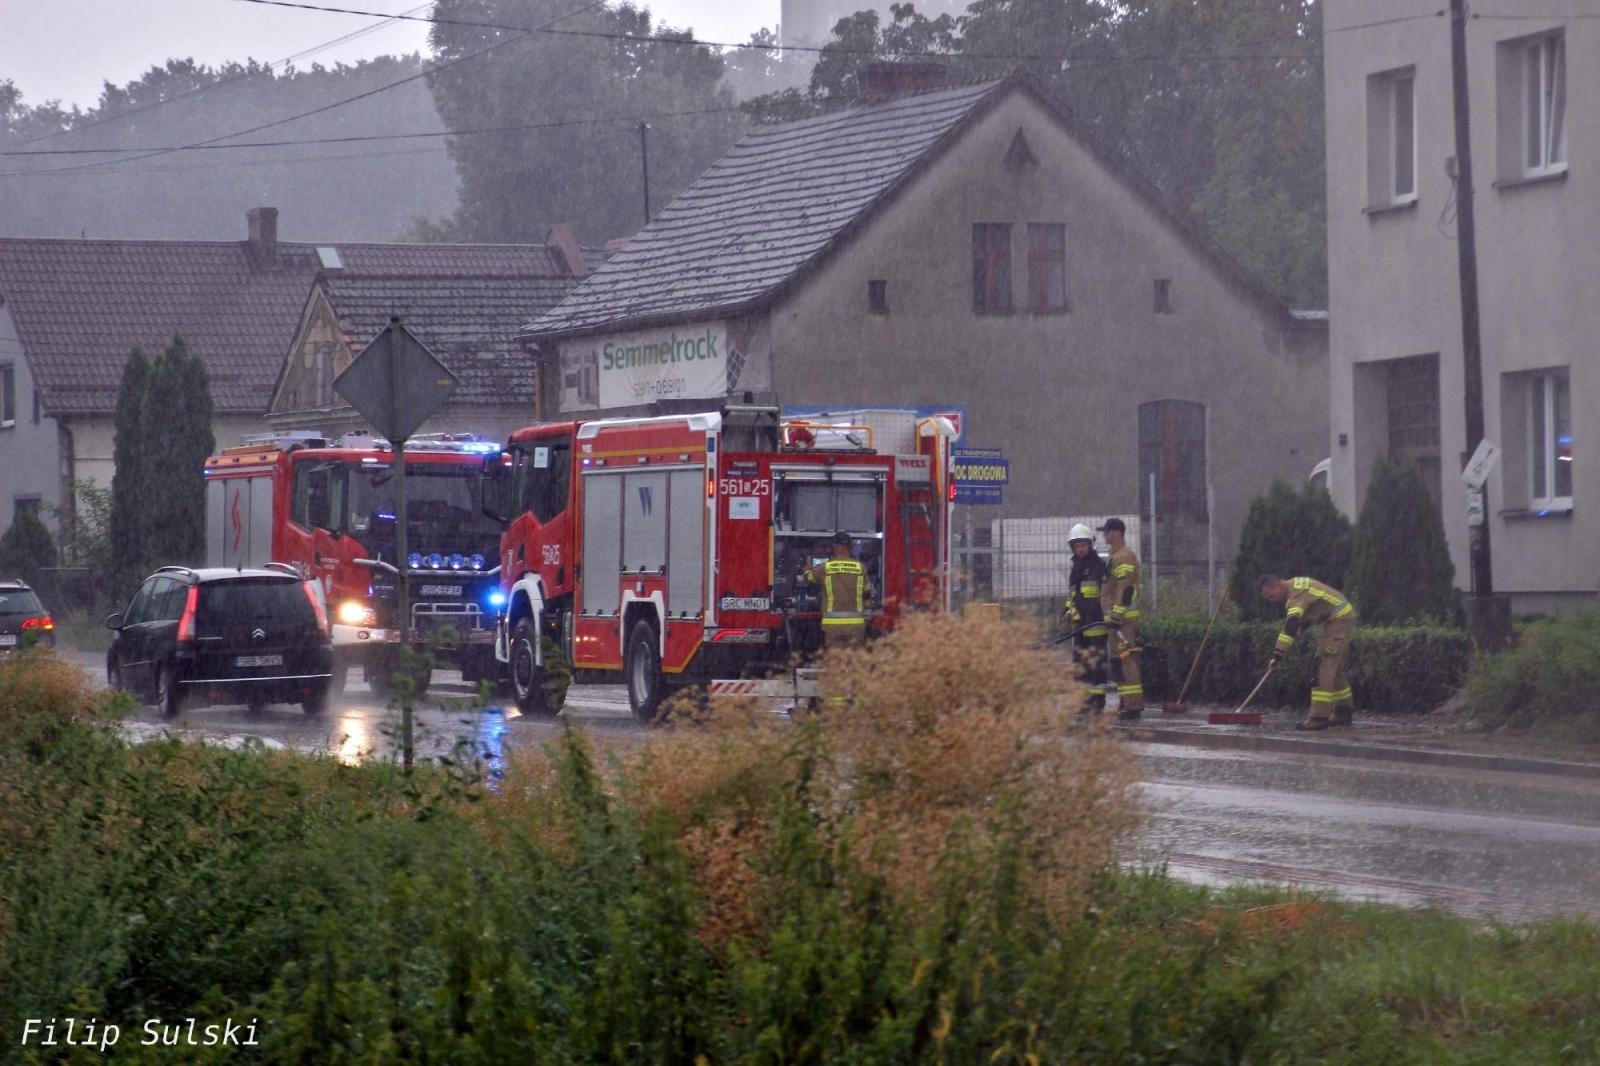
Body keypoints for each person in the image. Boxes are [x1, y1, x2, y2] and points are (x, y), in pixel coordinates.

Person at [1258, 574, 1356, 731]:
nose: (1272, 600)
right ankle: (1343, 712)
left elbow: (1291, 625)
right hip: (1339, 616)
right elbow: (1302, 620)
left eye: (1271, 595)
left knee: (1322, 667)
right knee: (1334, 669)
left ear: (1277, 585)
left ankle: (1319, 717)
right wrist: (1297, 631)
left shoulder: (1296, 594)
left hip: (1338, 618)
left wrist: (1278, 654)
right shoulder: (1296, 587)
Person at [1097, 518, 1143, 720]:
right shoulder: (1115, 557)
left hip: (1121, 622)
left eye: (1106, 532)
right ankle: (1127, 703)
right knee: (1120, 662)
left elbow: (1126, 589)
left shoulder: (1124, 557)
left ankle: (1132, 705)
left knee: (1126, 660)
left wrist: (1116, 614)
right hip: (1115, 622)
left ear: (1115, 532)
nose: (1104, 535)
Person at [1064, 523, 1110, 712]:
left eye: (1083, 545)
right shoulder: (1076, 566)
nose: (1080, 549)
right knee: (1080, 662)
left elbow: (1104, 593)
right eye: (1077, 546)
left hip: (1096, 622)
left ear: (1090, 545)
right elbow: (1073, 594)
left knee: (1096, 662)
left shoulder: (1098, 565)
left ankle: (1098, 701)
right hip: (1080, 624)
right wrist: (1068, 611)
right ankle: (1083, 701)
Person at [809, 531, 869, 647]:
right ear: (850, 547)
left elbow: (810, 579)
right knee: (854, 661)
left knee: (835, 661)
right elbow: (867, 592)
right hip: (855, 627)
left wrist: (807, 570)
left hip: (833, 627)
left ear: (834, 546)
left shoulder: (826, 567)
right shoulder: (860, 567)